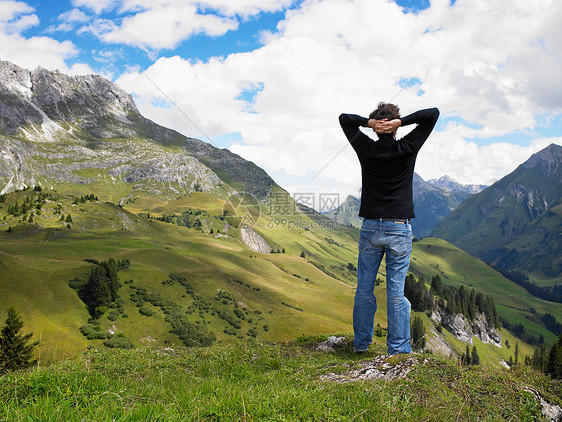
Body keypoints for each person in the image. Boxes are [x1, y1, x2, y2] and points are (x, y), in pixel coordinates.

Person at [339, 103, 439, 355]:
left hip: (371, 227)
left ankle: (361, 344)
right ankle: (398, 350)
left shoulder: (366, 148)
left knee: (364, 290)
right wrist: (401, 122)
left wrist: (368, 123)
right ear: (394, 128)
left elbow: (344, 118)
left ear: (376, 130)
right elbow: (432, 114)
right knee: (396, 293)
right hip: (399, 228)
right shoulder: (407, 147)